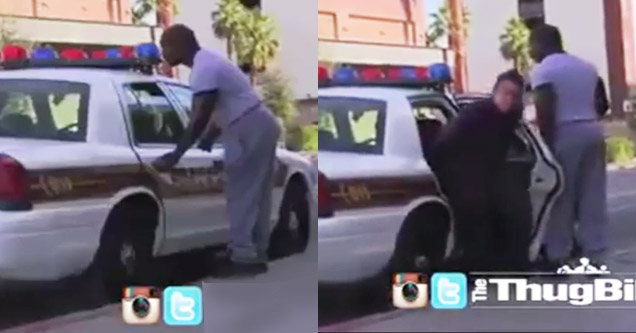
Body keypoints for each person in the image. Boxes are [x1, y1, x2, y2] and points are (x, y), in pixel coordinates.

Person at [153, 24, 281, 277]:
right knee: (255, 194)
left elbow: (200, 115)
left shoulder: (203, 69)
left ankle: (243, 258)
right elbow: (215, 110)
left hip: (247, 127)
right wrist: (209, 138)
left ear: (180, 45)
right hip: (257, 123)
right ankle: (255, 253)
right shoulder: (209, 62)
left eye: (165, 46)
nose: (163, 53)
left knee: (241, 193)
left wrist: (176, 155)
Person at [431, 69, 531, 272]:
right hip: (462, 181)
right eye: (505, 93)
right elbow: (442, 147)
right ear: (494, 92)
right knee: (472, 232)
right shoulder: (475, 116)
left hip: (483, 182)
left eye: (514, 96)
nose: (509, 99)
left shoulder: (509, 118)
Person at [528, 24, 610, 269]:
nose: (531, 50)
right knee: (593, 196)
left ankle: (558, 254)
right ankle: (595, 254)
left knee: (561, 196)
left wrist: (546, 147)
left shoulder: (544, 71)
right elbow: (602, 103)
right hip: (593, 131)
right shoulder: (587, 67)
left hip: (564, 133)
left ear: (542, 43)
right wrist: (586, 115)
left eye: (532, 44)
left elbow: (545, 110)